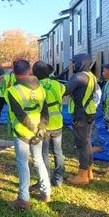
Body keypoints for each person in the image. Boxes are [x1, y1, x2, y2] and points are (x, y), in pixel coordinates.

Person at [7, 59, 51, 208]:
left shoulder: (13, 91)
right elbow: (45, 111)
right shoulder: (41, 89)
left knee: (22, 164)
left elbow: (20, 115)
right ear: (30, 71)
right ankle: (46, 192)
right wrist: (41, 128)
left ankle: (23, 198)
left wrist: (33, 129)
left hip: (22, 132)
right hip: (38, 132)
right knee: (38, 160)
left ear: (14, 73)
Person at [66, 53, 100, 185]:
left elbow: (65, 90)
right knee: (87, 142)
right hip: (89, 113)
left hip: (81, 114)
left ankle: (82, 174)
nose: (73, 64)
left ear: (81, 62)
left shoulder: (78, 77)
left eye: (74, 62)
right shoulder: (91, 76)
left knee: (82, 144)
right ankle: (89, 171)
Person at [35, 61, 66, 189]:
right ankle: (58, 179)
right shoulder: (58, 85)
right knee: (58, 152)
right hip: (58, 122)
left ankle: (45, 178)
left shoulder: (36, 86)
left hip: (44, 124)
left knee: (44, 154)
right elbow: (64, 92)